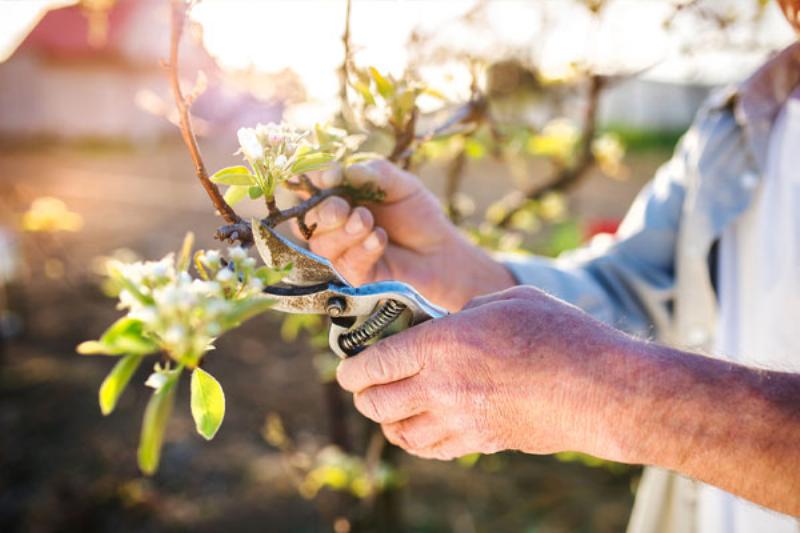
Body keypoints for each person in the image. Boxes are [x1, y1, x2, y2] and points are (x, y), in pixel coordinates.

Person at [299, 1, 800, 530]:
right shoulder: (744, 120)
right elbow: (630, 290)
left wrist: (615, 394)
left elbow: (614, 372)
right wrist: (448, 266)